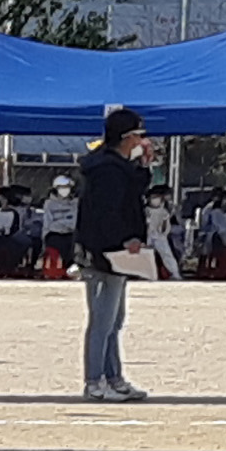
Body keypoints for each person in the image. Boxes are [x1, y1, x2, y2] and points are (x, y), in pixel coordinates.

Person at [74, 105, 150, 402]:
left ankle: (114, 377)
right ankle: (94, 381)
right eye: (139, 135)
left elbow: (134, 190)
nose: (142, 141)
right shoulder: (106, 170)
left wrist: (144, 165)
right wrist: (123, 240)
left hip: (116, 252)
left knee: (115, 321)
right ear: (127, 137)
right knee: (101, 322)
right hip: (103, 254)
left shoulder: (117, 166)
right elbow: (106, 215)